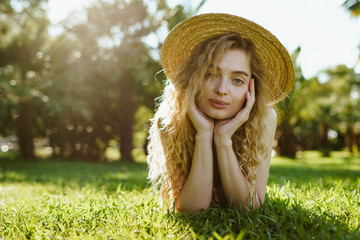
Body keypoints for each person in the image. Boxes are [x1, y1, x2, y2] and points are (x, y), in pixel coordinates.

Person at [147, 13, 294, 213]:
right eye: (210, 74)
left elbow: (248, 208)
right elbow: (192, 210)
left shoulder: (264, 118)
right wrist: (204, 134)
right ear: (193, 78)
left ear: (251, 89)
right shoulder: (170, 119)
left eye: (237, 80)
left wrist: (223, 138)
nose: (222, 89)